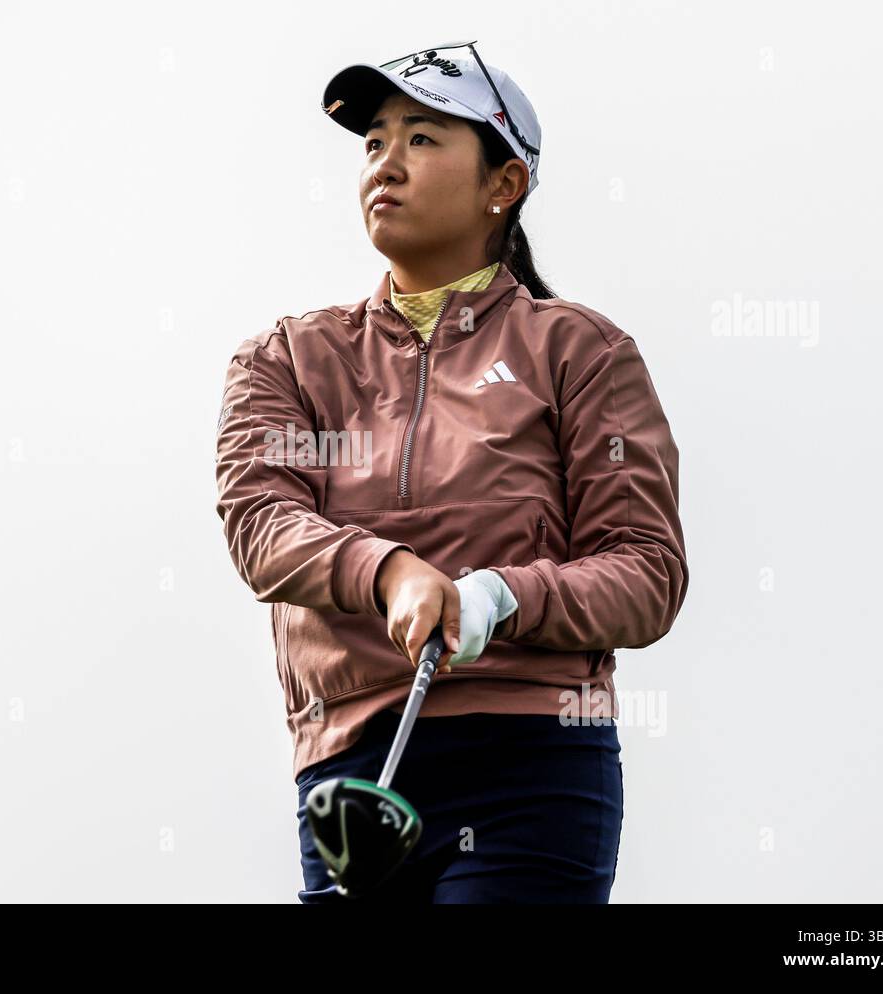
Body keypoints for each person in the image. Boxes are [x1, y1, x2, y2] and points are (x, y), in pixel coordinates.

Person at [213, 42, 689, 903]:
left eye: (424, 139)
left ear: (502, 185)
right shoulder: (285, 358)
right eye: (373, 143)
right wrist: (389, 572)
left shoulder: (579, 350)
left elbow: (646, 572)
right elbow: (261, 526)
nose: (385, 164)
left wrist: (498, 599)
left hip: (532, 763)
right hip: (353, 777)